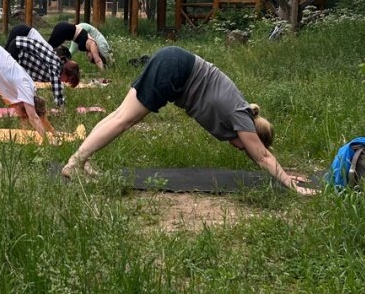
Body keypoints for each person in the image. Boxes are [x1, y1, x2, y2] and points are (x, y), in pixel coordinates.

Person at [61, 46, 314, 194]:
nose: (242, 150)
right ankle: (75, 163)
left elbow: (257, 154)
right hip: (176, 69)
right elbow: (262, 156)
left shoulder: (242, 115)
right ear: (251, 136)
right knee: (124, 120)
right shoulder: (242, 119)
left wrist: (285, 175)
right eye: (245, 146)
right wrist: (291, 185)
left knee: (119, 115)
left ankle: (81, 160)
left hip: (174, 60)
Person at [0, 24, 80, 112]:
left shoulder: (49, 65)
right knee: (1, 72)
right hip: (22, 36)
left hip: (21, 37)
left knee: (1, 69)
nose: (65, 82)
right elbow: (57, 86)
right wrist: (62, 106)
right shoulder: (54, 65)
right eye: (67, 80)